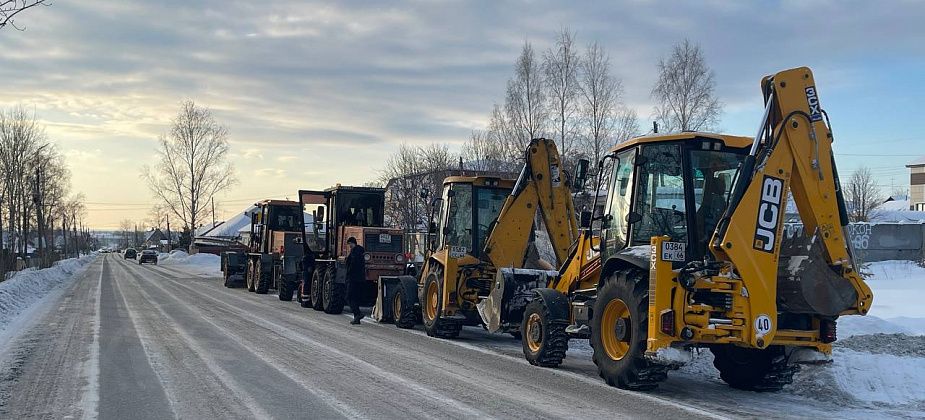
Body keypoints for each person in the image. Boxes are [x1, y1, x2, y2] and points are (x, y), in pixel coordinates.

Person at [345, 236, 366, 324]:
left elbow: (352, 263)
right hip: (360, 278)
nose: (349, 246)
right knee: (355, 297)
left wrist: (348, 272)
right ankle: (356, 318)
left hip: (353, 278)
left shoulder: (354, 252)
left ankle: (357, 314)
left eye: (349, 244)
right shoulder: (361, 251)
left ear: (352, 243)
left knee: (349, 297)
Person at [299, 243, 316, 307]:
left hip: (305, 273)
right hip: (307, 274)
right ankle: (306, 302)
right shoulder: (308, 257)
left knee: (305, 285)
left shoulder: (305, 257)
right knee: (307, 285)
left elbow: (300, 265)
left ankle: (304, 302)